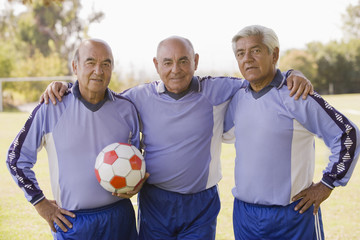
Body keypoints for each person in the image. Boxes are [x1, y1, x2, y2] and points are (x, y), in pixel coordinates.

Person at [40, 36, 313, 239]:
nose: (176, 69)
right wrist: (65, 86)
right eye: (168, 62)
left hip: (201, 204)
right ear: (157, 65)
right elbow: (97, 92)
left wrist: (292, 73)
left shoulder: (216, 90)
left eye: (183, 61)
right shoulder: (137, 98)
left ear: (195, 62)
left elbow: (259, 77)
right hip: (156, 202)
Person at [223, 25, 360, 240]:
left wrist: (327, 184)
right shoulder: (236, 97)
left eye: (256, 50)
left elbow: (347, 134)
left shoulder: (297, 94)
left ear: (274, 53)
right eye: (240, 53)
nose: (247, 58)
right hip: (245, 216)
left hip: (293, 215)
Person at [6, 39, 142, 240]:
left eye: (106, 64)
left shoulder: (127, 109)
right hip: (73, 222)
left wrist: (136, 185)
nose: (99, 70)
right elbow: (15, 158)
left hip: (120, 217)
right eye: (90, 62)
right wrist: (40, 203)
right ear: (75, 67)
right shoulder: (51, 107)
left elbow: (137, 161)